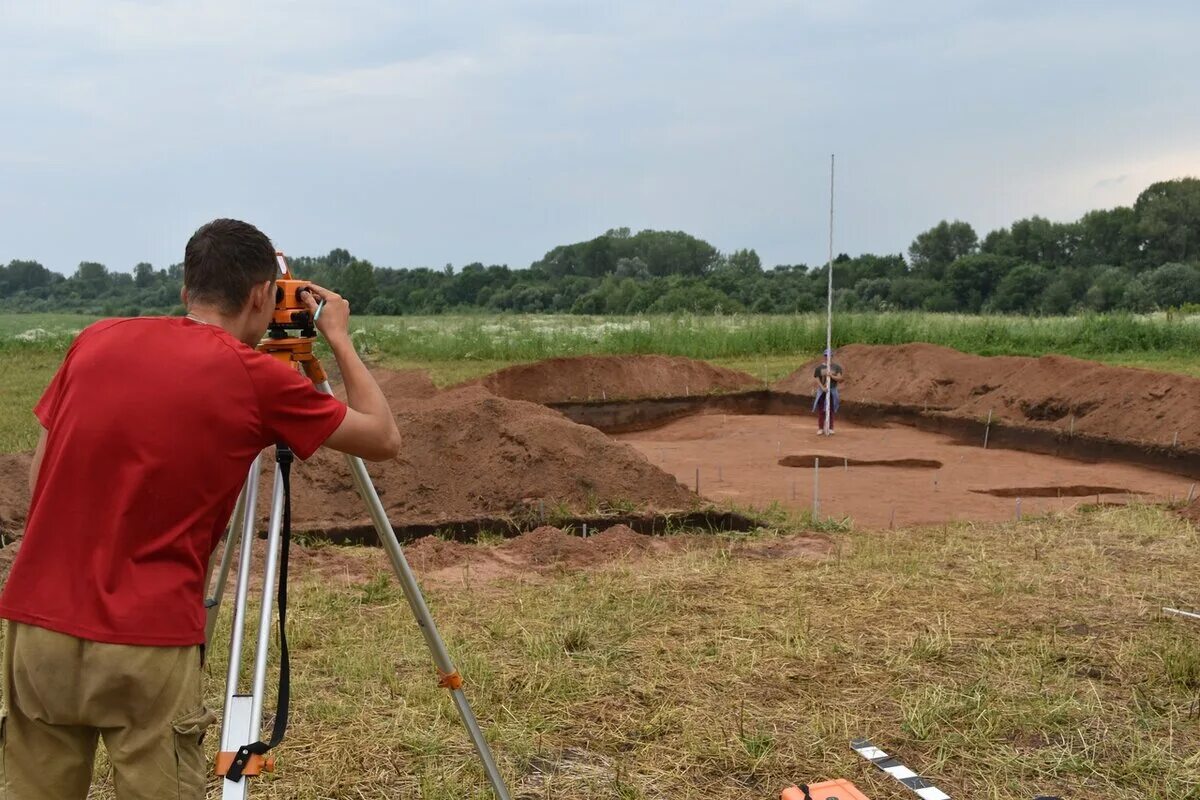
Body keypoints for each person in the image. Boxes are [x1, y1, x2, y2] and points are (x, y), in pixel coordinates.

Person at [0, 218, 402, 799]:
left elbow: (41, 480)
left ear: (187, 289)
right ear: (264, 295)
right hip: (148, 638)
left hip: (37, 628)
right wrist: (337, 335)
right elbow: (384, 438)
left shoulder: (94, 340)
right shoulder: (258, 378)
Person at [812, 347, 845, 435]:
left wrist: (831, 376)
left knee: (831, 410)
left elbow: (840, 379)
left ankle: (830, 428)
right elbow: (817, 378)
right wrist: (822, 387)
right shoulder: (819, 368)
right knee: (821, 410)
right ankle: (820, 428)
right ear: (824, 356)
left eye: (829, 355)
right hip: (822, 391)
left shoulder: (837, 367)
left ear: (832, 356)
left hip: (832, 390)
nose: (827, 357)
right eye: (826, 355)